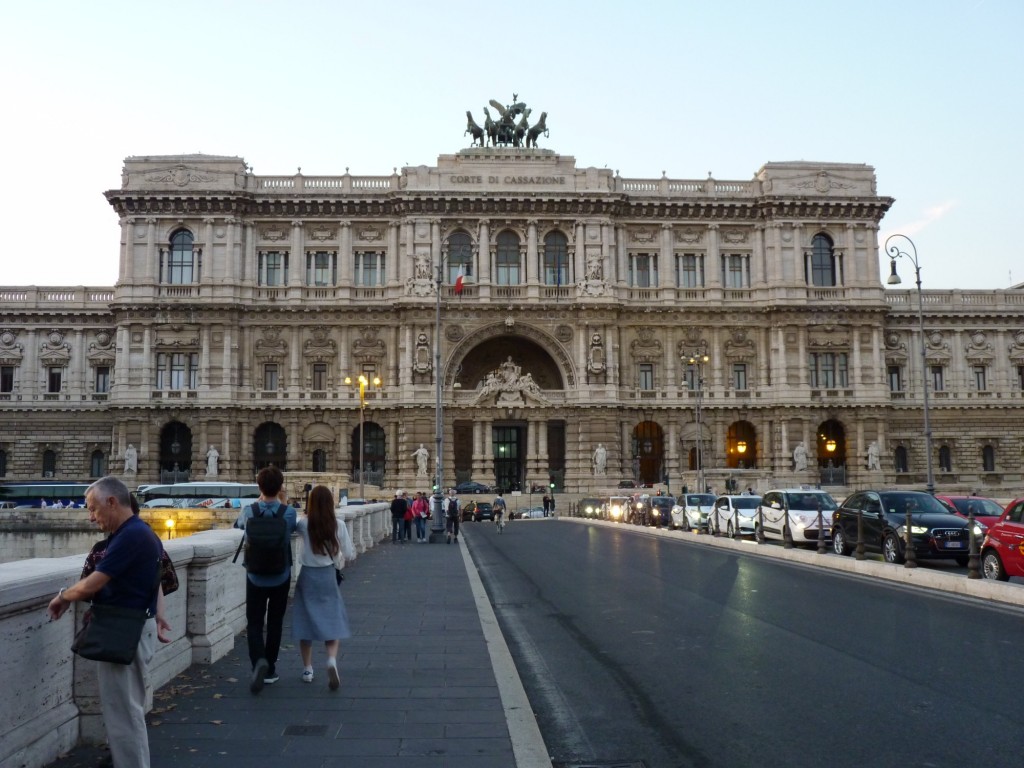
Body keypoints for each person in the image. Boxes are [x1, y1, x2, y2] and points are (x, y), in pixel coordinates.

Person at [47, 476, 163, 768]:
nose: (91, 517)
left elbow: (92, 584)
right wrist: (160, 614)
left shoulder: (131, 536)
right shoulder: (140, 532)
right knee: (126, 713)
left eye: (94, 509)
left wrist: (63, 596)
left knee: (124, 716)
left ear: (112, 502)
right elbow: (156, 580)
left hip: (125, 632)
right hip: (132, 628)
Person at [233, 465, 297, 694]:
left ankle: (257, 661)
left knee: (255, 622)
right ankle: (270, 669)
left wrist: (260, 500)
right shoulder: (288, 513)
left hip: (255, 574)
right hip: (281, 574)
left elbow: (239, 527)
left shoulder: (248, 511)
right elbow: (290, 530)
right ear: (281, 487)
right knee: (276, 623)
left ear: (259, 486)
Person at [292, 485, 353, 690]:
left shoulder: (303, 524)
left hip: (307, 576)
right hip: (328, 576)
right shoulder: (339, 525)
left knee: (305, 621)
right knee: (331, 619)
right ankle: (331, 661)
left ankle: (308, 669)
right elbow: (350, 553)